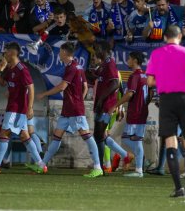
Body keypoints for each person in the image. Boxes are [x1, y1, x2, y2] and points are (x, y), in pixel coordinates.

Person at [28, 42, 103, 177]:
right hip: (68, 109)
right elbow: (85, 86)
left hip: (74, 109)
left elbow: (62, 87)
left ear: (65, 53)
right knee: (57, 137)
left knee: (86, 136)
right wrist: (79, 98)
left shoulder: (72, 68)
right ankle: (41, 165)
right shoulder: (78, 66)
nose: (59, 54)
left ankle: (98, 167)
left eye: (60, 51)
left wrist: (44, 94)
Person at [146, 25, 185, 198]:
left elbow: (150, 82)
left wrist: (165, 77)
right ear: (180, 36)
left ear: (164, 38)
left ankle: (178, 188)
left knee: (170, 141)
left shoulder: (156, 54)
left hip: (166, 100)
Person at [0, 41, 47, 174]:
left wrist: (30, 107)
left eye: (6, 51)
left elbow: (31, 87)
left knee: (4, 133)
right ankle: (41, 164)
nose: (4, 54)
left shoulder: (21, 69)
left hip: (16, 108)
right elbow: (2, 83)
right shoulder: (10, 68)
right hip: (14, 107)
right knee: (25, 137)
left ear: (12, 53)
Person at [91, 40, 134, 174]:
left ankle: (101, 166)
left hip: (107, 106)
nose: (94, 54)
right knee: (100, 135)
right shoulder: (104, 65)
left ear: (102, 51)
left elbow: (116, 84)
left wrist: (103, 100)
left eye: (96, 50)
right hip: (102, 105)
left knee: (98, 135)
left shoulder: (110, 64)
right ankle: (122, 157)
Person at [109, 52, 151, 177]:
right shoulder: (145, 76)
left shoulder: (135, 76)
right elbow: (151, 94)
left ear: (135, 60)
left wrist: (115, 105)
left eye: (129, 58)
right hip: (142, 111)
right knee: (135, 139)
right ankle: (140, 166)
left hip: (135, 112)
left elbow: (129, 94)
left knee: (129, 139)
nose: (127, 60)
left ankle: (139, 162)